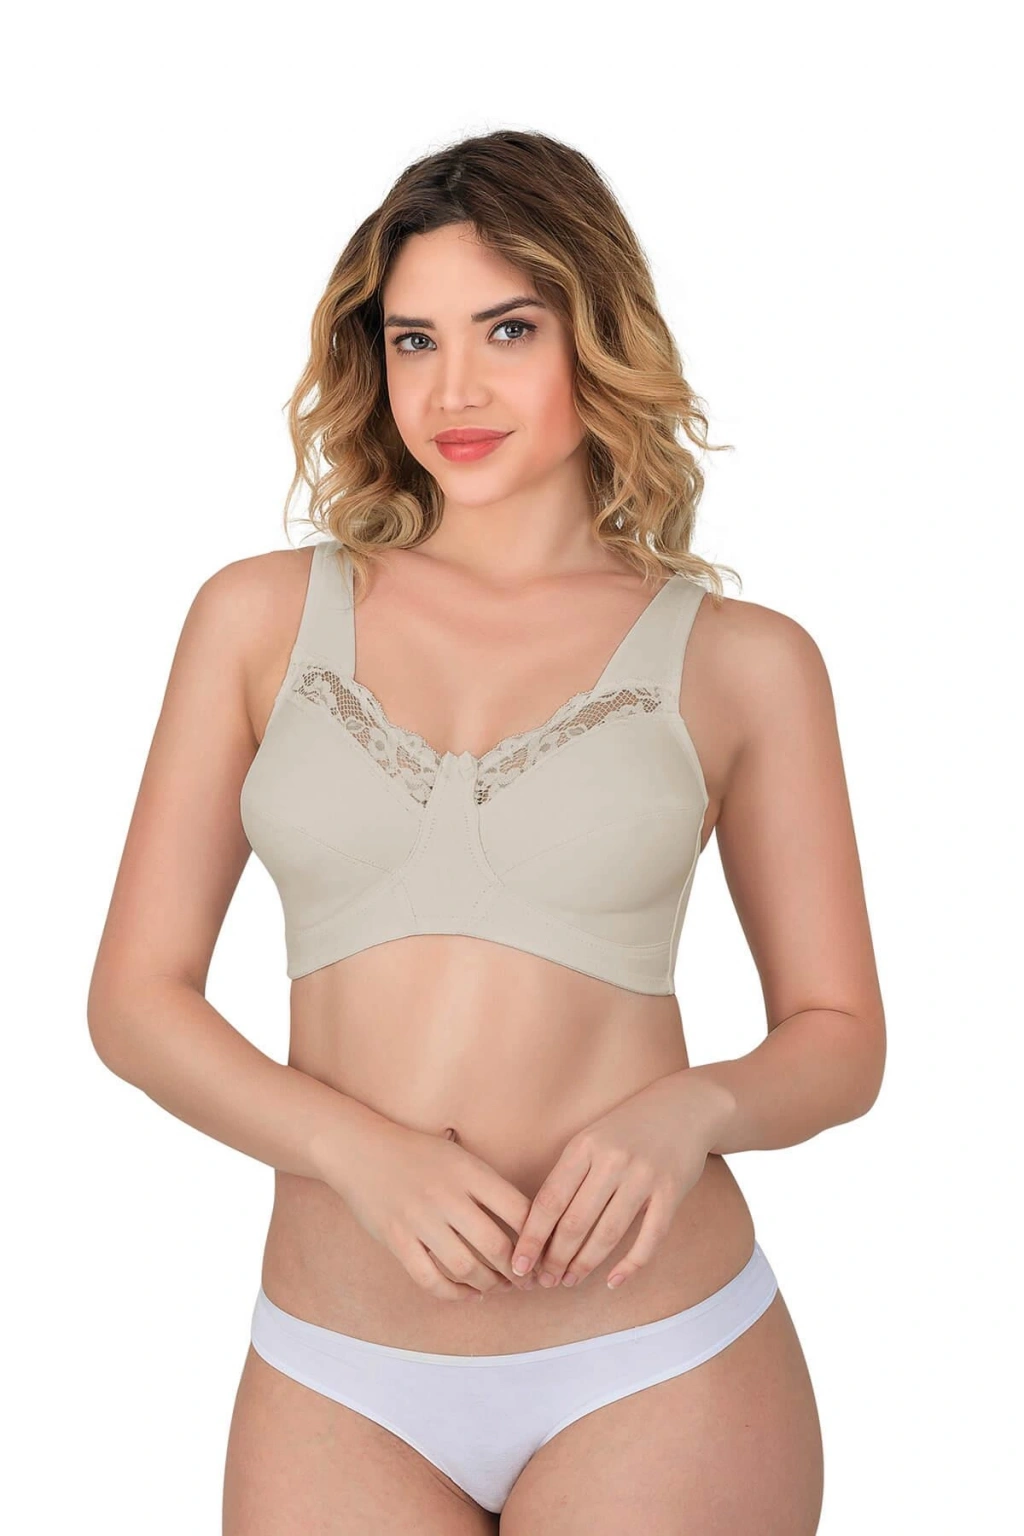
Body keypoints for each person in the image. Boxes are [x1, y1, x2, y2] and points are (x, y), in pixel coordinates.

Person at [87, 129, 886, 1534]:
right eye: (414, 340)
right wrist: (355, 1151)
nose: (452, 389)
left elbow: (840, 1037)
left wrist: (691, 1110)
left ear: (597, 334)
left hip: (655, 1360)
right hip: (332, 1374)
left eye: (507, 329)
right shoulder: (255, 620)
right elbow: (135, 1002)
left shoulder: (746, 661)